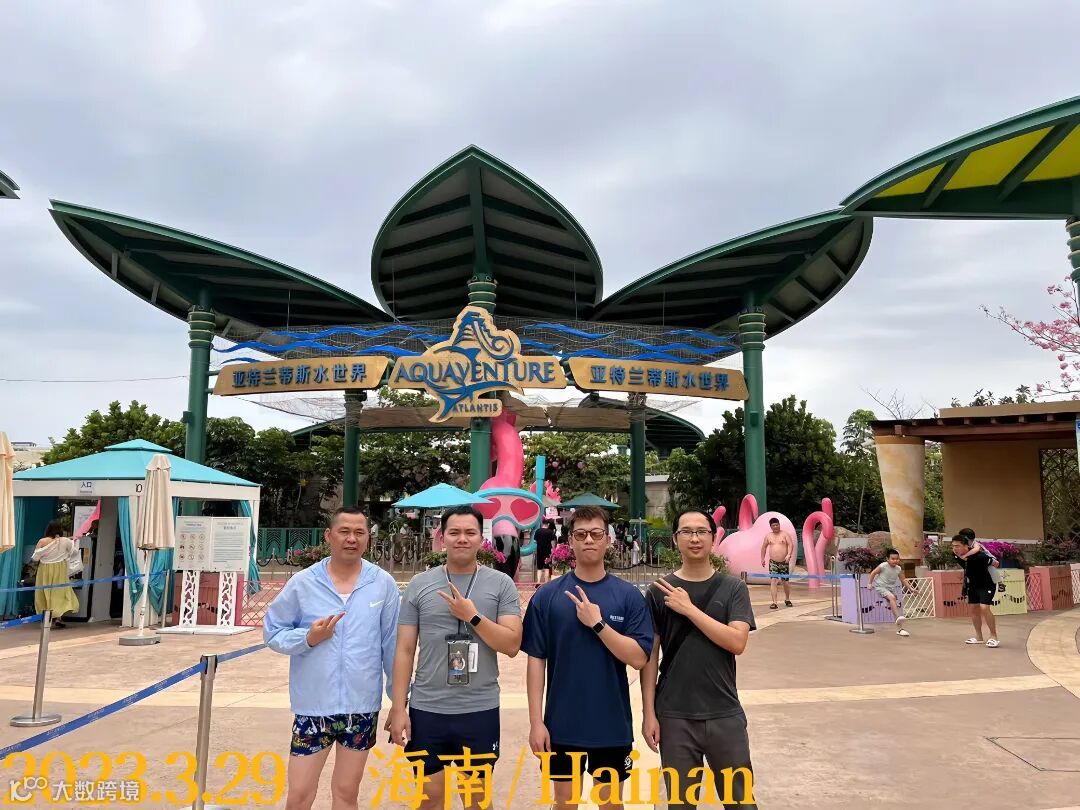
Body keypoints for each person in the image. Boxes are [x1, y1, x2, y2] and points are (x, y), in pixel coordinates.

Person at [263, 506, 400, 810]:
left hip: (361, 707)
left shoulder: (382, 583)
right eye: (344, 531)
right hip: (313, 707)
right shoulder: (303, 582)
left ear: (367, 538)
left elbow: (392, 646)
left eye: (359, 532)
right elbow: (273, 631)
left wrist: (399, 702)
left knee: (347, 793)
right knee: (299, 795)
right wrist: (308, 638)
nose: (352, 539)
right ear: (328, 536)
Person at [388, 505, 522, 810]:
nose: (462, 538)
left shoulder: (501, 584)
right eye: (455, 532)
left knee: (476, 800)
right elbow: (405, 650)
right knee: (429, 800)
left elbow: (512, 644)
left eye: (470, 532)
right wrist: (398, 707)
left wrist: (472, 617)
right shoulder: (420, 584)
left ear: (481, 538)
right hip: (427, 708)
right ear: (442, 536)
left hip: (479, 708)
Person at [522, 505, 653, 809]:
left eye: (596, 533)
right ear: (570, 541)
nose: (589, 540)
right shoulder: (547, 596)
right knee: (564, 804)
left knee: (610, 804)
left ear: (608, 540)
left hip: (611, 725)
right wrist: (536, 722)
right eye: (581, 534)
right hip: (561, 725)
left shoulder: (628, 596)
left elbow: (639, 658)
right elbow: (536, 661)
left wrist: (598, 624)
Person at [641, 509, 756, 809]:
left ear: (714, 537)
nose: (695, 538)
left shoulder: (733, 588)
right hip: (674, 715)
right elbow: (650, 658)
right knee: (681, 804)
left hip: (724, 712)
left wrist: (689, 609)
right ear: (675, 539)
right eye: (687, 532)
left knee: (741, 801)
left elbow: (737, 642)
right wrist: (648, 713)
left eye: (702, 531)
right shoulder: (658, 592)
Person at [951, 534, 1000, 648]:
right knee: (974, 609)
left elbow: (996, 563)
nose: (955, 549)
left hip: (987, 584)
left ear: (965, 546)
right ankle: (979, 637)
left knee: (984, 607)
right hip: (972, 585)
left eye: (957, 546)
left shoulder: (980, 556)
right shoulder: (955, 555)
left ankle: (993, 636)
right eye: (953, 546)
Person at [31, 522, 79, 628]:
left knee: (45, 592)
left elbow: (35, 558)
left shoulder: (42, 541)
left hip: (44, 570)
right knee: (59, 592)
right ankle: (58, 617)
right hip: (60, 569)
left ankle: (46, 618)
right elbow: (75, 553)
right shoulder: (65, 541)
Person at [867, 549, 912, 637]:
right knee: (892, 598)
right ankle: (898, 617)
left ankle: (900, 629)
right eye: (893, 559)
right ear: (887, 559)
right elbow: (873, 573)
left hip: (891, 589)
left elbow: (903, 579)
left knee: (894, 606)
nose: (895, 561)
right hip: (880, 587)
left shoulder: (898, 568)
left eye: (897, 559)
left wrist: (911, 588)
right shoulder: (883, 566)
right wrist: (869, 583)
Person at [759, 517, 794, 609]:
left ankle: (787, 599)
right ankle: (774, 602)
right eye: (773, 525)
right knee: (773, 581)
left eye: (777, 525)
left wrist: (789, 555)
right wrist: (762, 558)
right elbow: (764, 547)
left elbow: (790, 544)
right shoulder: (768, 536)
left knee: (785, 582)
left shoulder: (785, 534)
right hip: (773, 562)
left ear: (779, 524)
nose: (775, 527)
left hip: (784, 562)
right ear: (771, 527)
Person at [534, 520, 557, 584]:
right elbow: (552, 542)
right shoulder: (550, 532)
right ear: (548, 524)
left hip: (539, 551)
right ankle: (546, 582)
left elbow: (535, 541)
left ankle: (538, 582)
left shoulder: (537, 531)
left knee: (539, 568)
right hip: (547, 552)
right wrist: (553, 549)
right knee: (547, 567)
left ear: (542, 524)